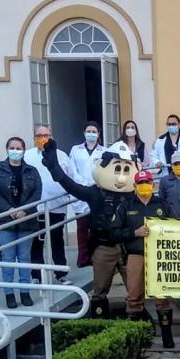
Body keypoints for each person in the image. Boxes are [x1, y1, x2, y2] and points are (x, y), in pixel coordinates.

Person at [40, 139, 139, 318]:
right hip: (103, 246)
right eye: (117, 169)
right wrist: (55, 168)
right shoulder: (95, 193)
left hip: (128, 246)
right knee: (100, 288)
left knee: (135, 286)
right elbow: (72, 187)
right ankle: (99, 320)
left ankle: (137, 318)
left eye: (126, 170)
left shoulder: (134, 195)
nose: (121, 177)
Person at [110, 170, 175, 348]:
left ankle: (167, 339)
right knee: (134, 297)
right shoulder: (126, 206)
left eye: (147, 182)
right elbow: (113, 232)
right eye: (140, 183)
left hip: (159, 257)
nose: (144, 186)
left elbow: (176, 228)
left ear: (153, 185)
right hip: (135, 255)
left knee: (162, 297)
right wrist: (134, 233)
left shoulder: (162, 204)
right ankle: (137, 342)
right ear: (134, 186)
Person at [0, 137, 41, 308]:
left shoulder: (31, 171)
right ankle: (9, 294)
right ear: (7, 149)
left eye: (19, 148)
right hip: (5, 219)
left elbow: (37, 193)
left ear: (24, 150)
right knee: (8, 257)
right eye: (12, 147)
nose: (15, 150)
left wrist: (25, 210)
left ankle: (25, 292)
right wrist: (8, 209)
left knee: (24, 257)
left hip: (26, 220)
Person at [24, 124, 71, 284]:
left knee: (57, 239)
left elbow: (72, 177)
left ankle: (61, 273)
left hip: (57, 205)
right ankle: (36, 275)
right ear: (34, 138)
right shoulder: (27, 156)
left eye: (47, 135)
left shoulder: (62, 155)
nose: (43, 138)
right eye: (40, 135)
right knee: (37, 241)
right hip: (35, 206)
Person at [69, 122, 107, 268]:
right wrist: (83, 183)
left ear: (98, 134)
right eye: (89, 131)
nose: (91, 134)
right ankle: (82, 258)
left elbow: (105, 171)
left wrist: (94, 183)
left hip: (97, 190)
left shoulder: (104, 151)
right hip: (81, 190)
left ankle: (94, 256)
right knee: (82, 227)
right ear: (84, 132)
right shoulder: (75, 150)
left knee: (96, 227)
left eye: (94, 131)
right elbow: (72, 170)